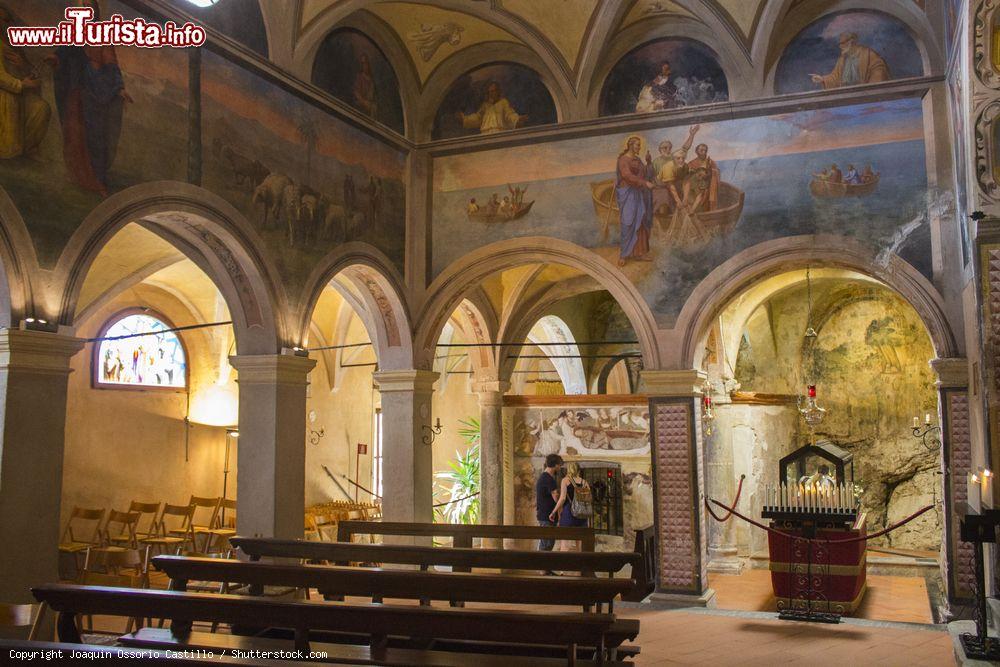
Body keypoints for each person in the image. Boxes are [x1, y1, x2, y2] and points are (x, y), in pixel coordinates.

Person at [47, 0, 131, 197]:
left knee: (95, 138)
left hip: (97, 94)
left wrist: (119, 88)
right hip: (77, 92)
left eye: (88, 7)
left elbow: (111, 66)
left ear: (94, 11)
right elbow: (63, 53)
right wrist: (55, 58)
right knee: (74, 135)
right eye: (81, 7)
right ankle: (78, 175)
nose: (84, 10)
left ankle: (98, 180)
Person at [0, 7, 50, 159]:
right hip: (6, 93)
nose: (7, 24)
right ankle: (10, 152)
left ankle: (28, 148)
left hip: (20, 92)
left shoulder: (12, 44)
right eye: (4, 20)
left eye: (8, 20)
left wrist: (25, 67)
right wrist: (22, 85)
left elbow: (28, 69)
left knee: (41, 108)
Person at [615, 135, 655, 266]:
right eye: (638, 145)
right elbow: (627, 176)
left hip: (638, 193)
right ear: (631, 145)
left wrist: (649, 163)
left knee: (641, 221)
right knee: (628, 222)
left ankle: (640, 253)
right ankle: (624, 254)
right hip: (628, 194)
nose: (639, 147)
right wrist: (644, 183)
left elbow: (645, 174)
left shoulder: (638, 160)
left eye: (640, 145)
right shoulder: (623, 160)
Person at [810, 32, 890, 89]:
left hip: (864, 95)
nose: (840, 46)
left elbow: (879, 68)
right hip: (846, 95)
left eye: (842, 43)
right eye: (839, 44)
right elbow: (835, 77)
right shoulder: (842, 59)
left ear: (851, 41)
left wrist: (871, 89)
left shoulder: (867, 54)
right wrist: (822, 79)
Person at [456, 81, 526, 134]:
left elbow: (509, 114)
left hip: (499, 133)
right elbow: (478, 118)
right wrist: (465, 119)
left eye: (493, 91)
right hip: (485, 134)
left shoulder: (503, 102)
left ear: (498, 91)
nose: (491, 94)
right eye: (489, 92)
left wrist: (517, 119)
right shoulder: (486, 106)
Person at [550, 463, 590, 553]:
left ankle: (564, 565)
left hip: (569, 514)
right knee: (579, 546)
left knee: (565, 545)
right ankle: (579, 566)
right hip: (582, 515)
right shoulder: (584, 482)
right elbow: (588, 499)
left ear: (569, 469)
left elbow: (563, 498)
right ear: (578, 470)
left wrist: (553, 512)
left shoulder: (565, 481)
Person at [535, 454, 563, 560]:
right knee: (546, 543)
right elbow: (556, 497)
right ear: (555, 465)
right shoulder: (548, 479)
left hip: (545, 514)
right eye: (559, 465)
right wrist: (560, 512)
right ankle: (542, 570)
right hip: (547, 515)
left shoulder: (544, 477)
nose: (560, 467)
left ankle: (544, 569)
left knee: (547, 542)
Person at [685, 143, 720, 212]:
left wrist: (709, 172)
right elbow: (687, 175)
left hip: (706, 185)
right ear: (696, 151)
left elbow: (716, 173)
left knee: (703, 193)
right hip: (694, 185)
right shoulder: (692, 163)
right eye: (701, 150)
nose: (703, 152)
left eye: (705, 150)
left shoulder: (710, 162)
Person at [352, 53, 377, 118]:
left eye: (366, 63)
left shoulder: (372, 81)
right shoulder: (359, 77)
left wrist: (370, 103)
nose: (365, 66)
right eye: (363, 63)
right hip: (360, 102)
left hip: (369, 104)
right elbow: (356, 92)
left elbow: (372, 96)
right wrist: (364, 102)